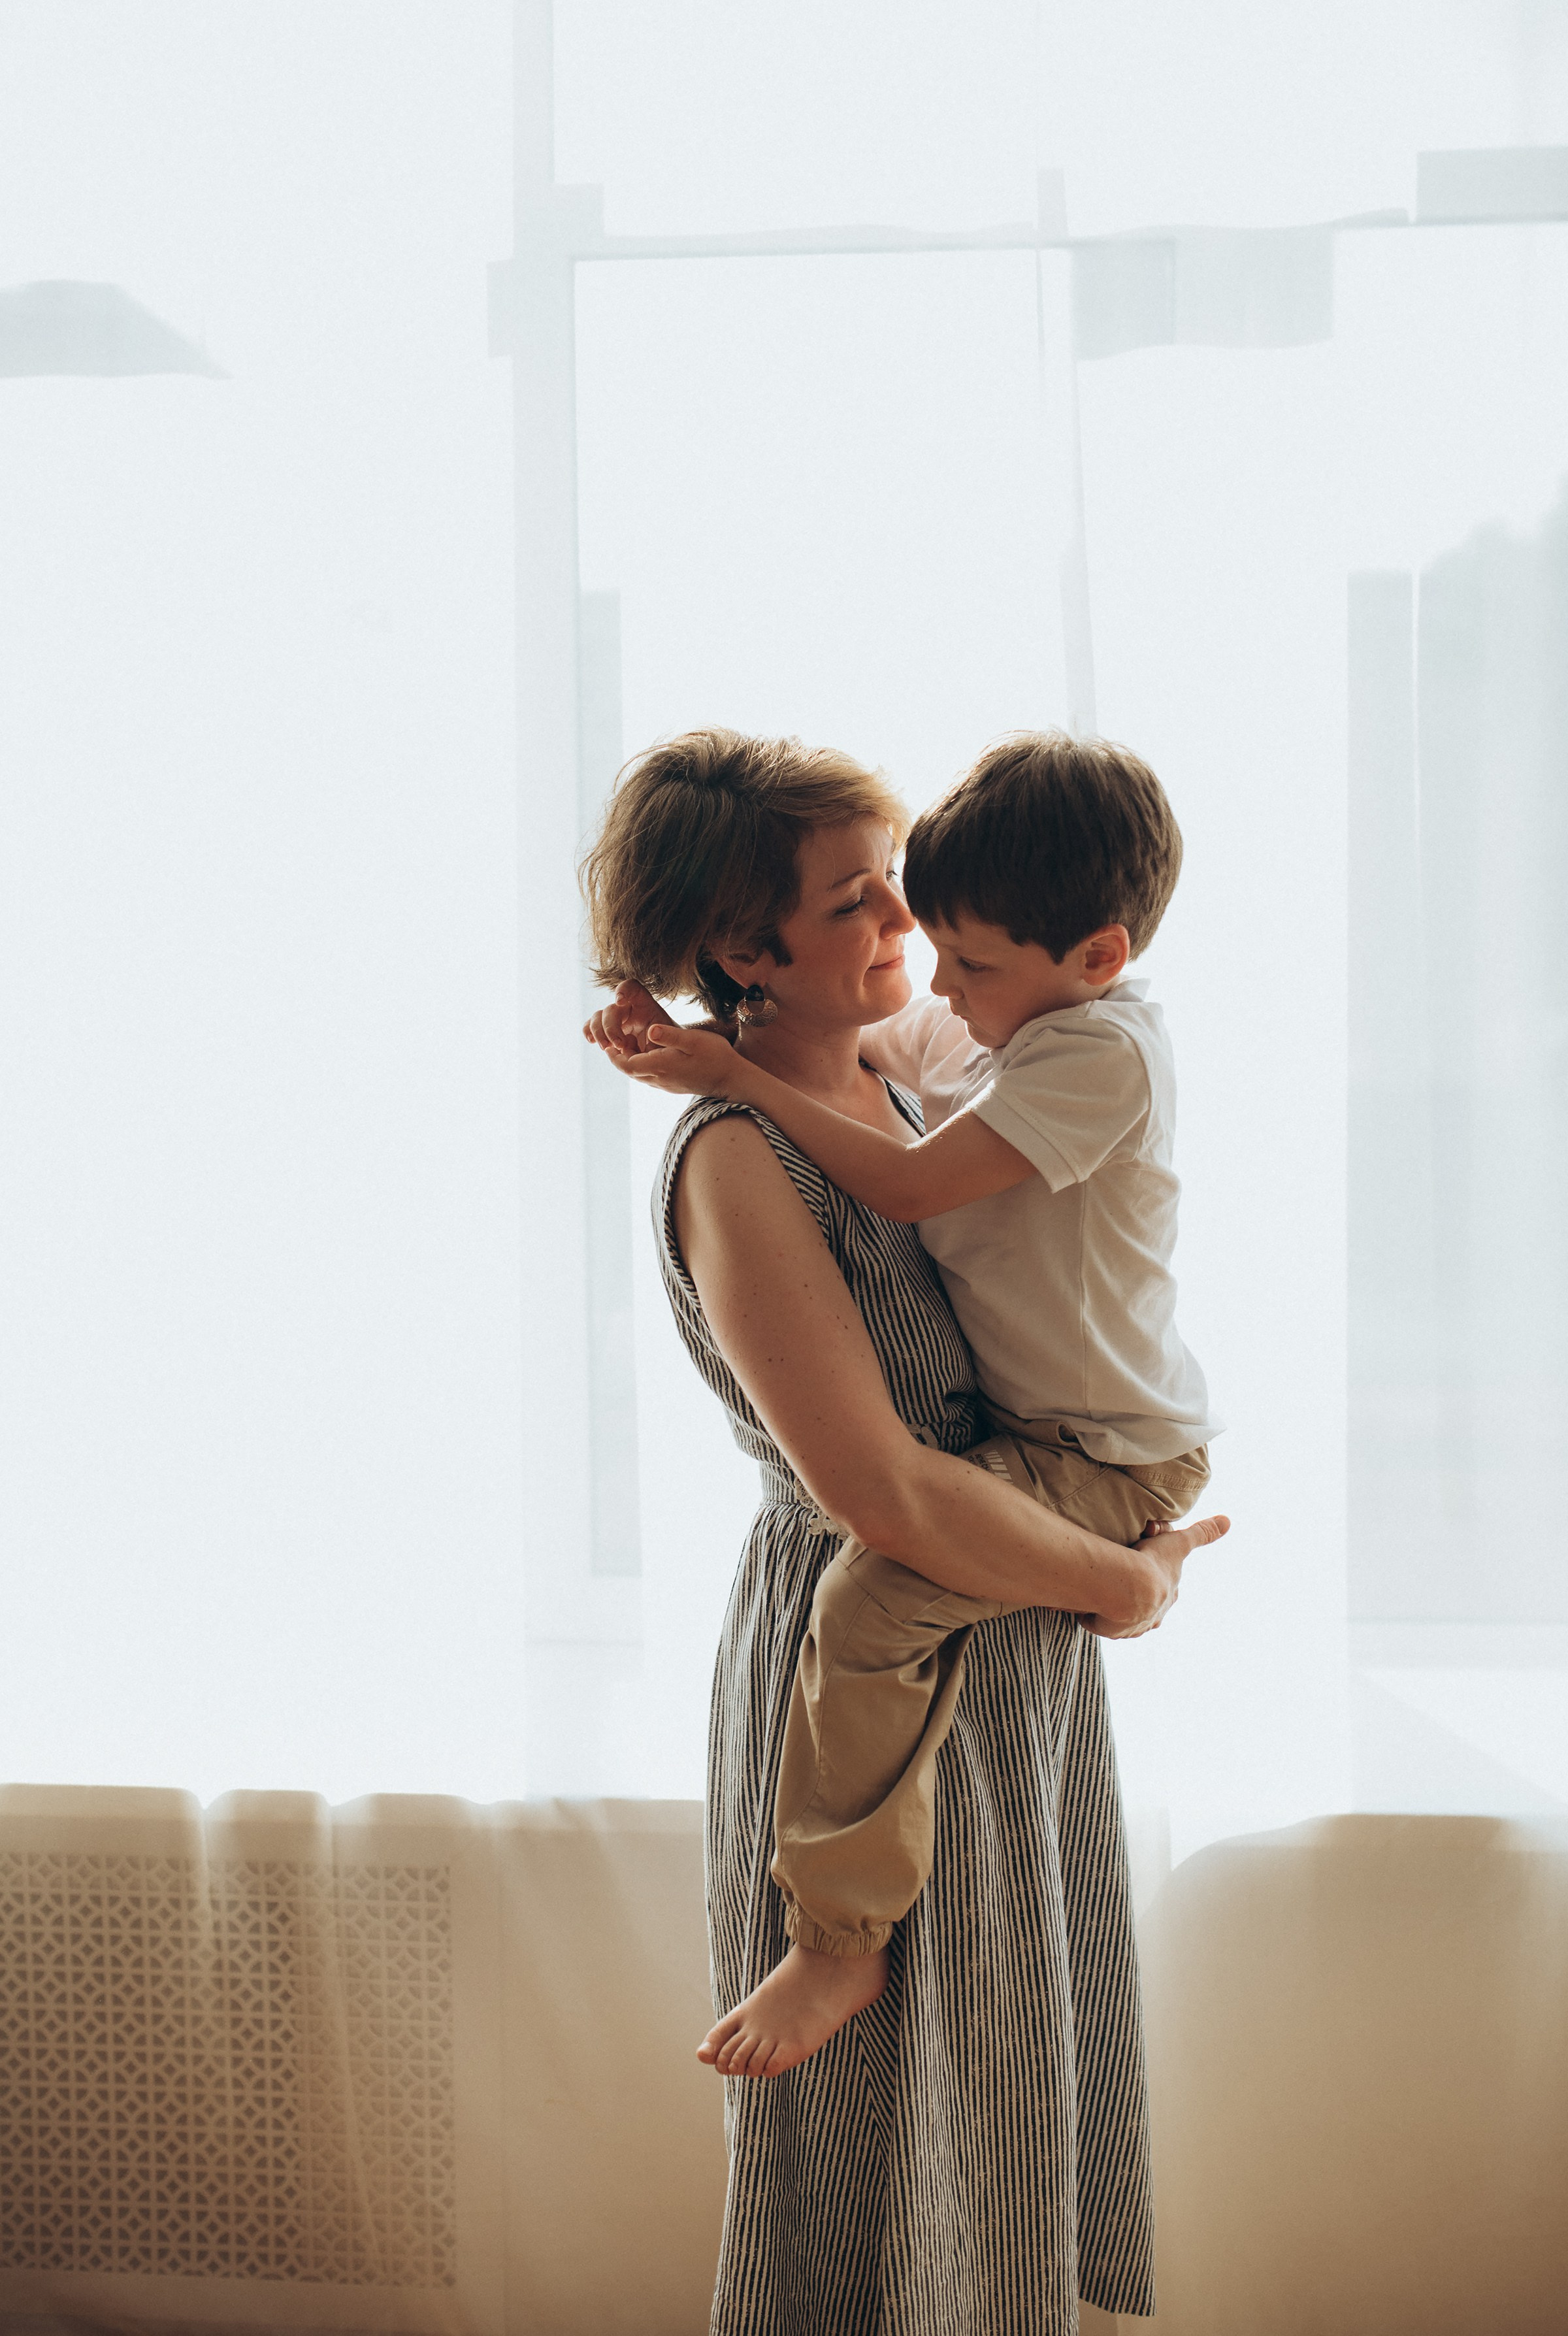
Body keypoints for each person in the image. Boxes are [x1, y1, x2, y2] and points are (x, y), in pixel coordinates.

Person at [581, 727, 1227, 2336]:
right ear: (747, 951)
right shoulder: (740, 1164)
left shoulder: (899, 1064)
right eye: (866, 902)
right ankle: (834, 1935)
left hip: (1000, 1647)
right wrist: (1127, 1586)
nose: (909, 932)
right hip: (868, 1671)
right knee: (874, 2162)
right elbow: (887, 1496)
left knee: (998, 2145)